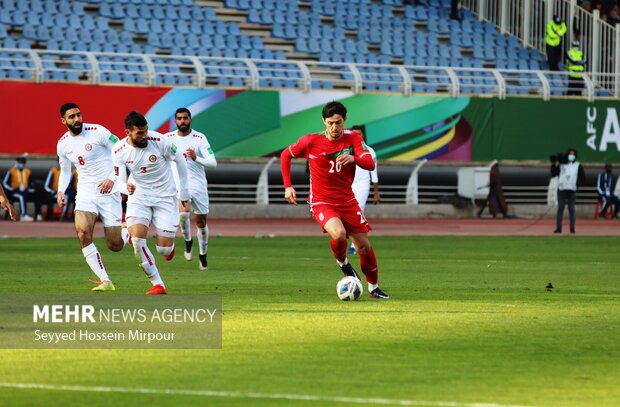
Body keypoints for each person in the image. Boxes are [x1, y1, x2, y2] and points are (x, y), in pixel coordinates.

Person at [280, 101, 390, 299]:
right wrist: (288, 186)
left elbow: (370, 163)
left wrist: (354, 158)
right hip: (322, 201)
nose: (334, 128)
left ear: (344, 120)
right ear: (324, 121)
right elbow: (285, 155)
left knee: (363, 245)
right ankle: (344, 264)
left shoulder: (353, 138)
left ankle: (374, 288)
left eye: (338, 123)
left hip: (347, 200)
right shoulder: (311, 141)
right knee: (339, 234)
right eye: (330, 123)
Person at [113, 111, 190, 295]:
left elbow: (179, 159)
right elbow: (118, 180)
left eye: (146, 130)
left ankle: (167, 247)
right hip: (139, 197)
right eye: (140, 133)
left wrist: (184, 192)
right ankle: (158, 284)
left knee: (163, 250)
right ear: (128, 133)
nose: (145, 135)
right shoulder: (118, 150)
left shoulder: (160, 141)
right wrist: (126, 188)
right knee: (138, 240)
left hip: (165, 197)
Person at [56, 102, 130, 292]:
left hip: (109, 191)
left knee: (115, 245)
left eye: (79, 115)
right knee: (82, 232)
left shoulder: (98, 131)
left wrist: (112, 178)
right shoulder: (62, 144)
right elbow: (65, 170)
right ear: (63, 120)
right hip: (86, 193)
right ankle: (106, 280)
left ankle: (125, 231)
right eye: (72, 117)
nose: (77, 119)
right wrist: (61, 190)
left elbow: (123, 150)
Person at [165, 107, 217, 270]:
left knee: (201, 223)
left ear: (190, 120)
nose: (182, 121)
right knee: (182, 214)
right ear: (175, 121)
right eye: (179, 118)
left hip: (198, 186)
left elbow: (213, 163)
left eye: (185, 118)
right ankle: (188, 241)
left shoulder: (200, 138)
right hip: (180, 185)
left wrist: (196, 158)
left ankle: (202, 254)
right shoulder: (167, 138)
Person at [348, 124, 380, 254]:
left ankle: (354, 245)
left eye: (359, 134)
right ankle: (356, 240)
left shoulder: (370, 151)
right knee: (347, 214)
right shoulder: (346, 150)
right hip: (347, 184)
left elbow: (374, 172)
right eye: (354, 134)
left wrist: (376, 192)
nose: (356, 136)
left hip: (362, 184)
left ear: (363, 136)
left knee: (358, 211)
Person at [551, 148, 585, 234]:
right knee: (560, 208)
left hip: (572, 190)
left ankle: (572, 228)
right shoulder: (562, 165)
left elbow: (583, 177)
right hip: (562, 189)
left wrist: (577, 185)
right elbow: (553, 174)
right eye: (570, 154)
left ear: (575, 156)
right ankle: (558, 228)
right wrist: (554, 164)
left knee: (572, 209)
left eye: (573, 154)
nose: (571, 156)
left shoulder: (578, 165)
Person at [3, 155, 34, 221]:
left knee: (35, 196)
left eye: (22, 162)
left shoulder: (28, 171)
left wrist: (29, 188)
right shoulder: (11, 171)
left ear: (24, 163)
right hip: (14, 191)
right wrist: (11, 189)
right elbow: (5, 183)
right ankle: (23, 214)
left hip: (25, 190)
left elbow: (31, 183)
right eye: (19, 162)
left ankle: (38, 214)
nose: (20, 164)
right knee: (21, 196)